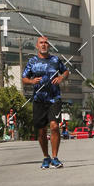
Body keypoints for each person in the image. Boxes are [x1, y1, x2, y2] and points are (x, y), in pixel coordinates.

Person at [22, 36, 69, 168]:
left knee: (54, 126)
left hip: (54, 98)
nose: (43, 45)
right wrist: (31, 81)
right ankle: (46, 157)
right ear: (37, 46)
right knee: (41, 130)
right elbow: (24, 78)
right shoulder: (32, 61)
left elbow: (66, 71)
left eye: (46, 43)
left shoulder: (55, 60)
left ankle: (55, 157)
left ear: (49, 46)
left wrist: (61, 77)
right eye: (41, 43)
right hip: (39, 100)